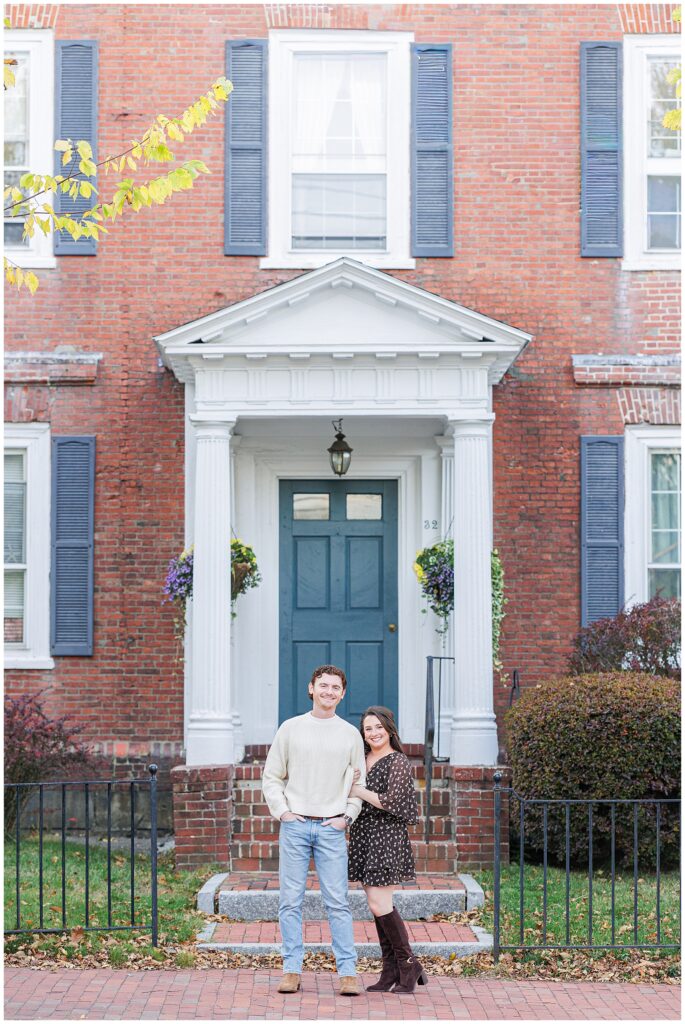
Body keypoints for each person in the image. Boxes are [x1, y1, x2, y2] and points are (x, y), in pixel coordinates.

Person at [262, 665, 366, 997]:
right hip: (296, 825)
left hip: (331, 827)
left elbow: (358, 783)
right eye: (323, 685)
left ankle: (347, 973)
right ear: (311, 688)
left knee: (338, 902)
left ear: (343, 693)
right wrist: (283, 813)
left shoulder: (350, 734)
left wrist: (346, 817)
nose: (329, 691)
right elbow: (272, 777)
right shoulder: (290, 729)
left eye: (335, 687)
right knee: (290, 901)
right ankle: (291, 970)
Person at [348, 706, 428, 994]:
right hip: (363, 835)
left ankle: (408, 965)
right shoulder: (363, 758)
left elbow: (391, 801)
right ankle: (391, 969)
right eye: (368, 729)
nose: (373, 733)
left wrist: (356, 790)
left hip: (386, 835)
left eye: (378, 727)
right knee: (377, 904)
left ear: (389, 729)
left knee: (380, 904)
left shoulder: (398, 761)